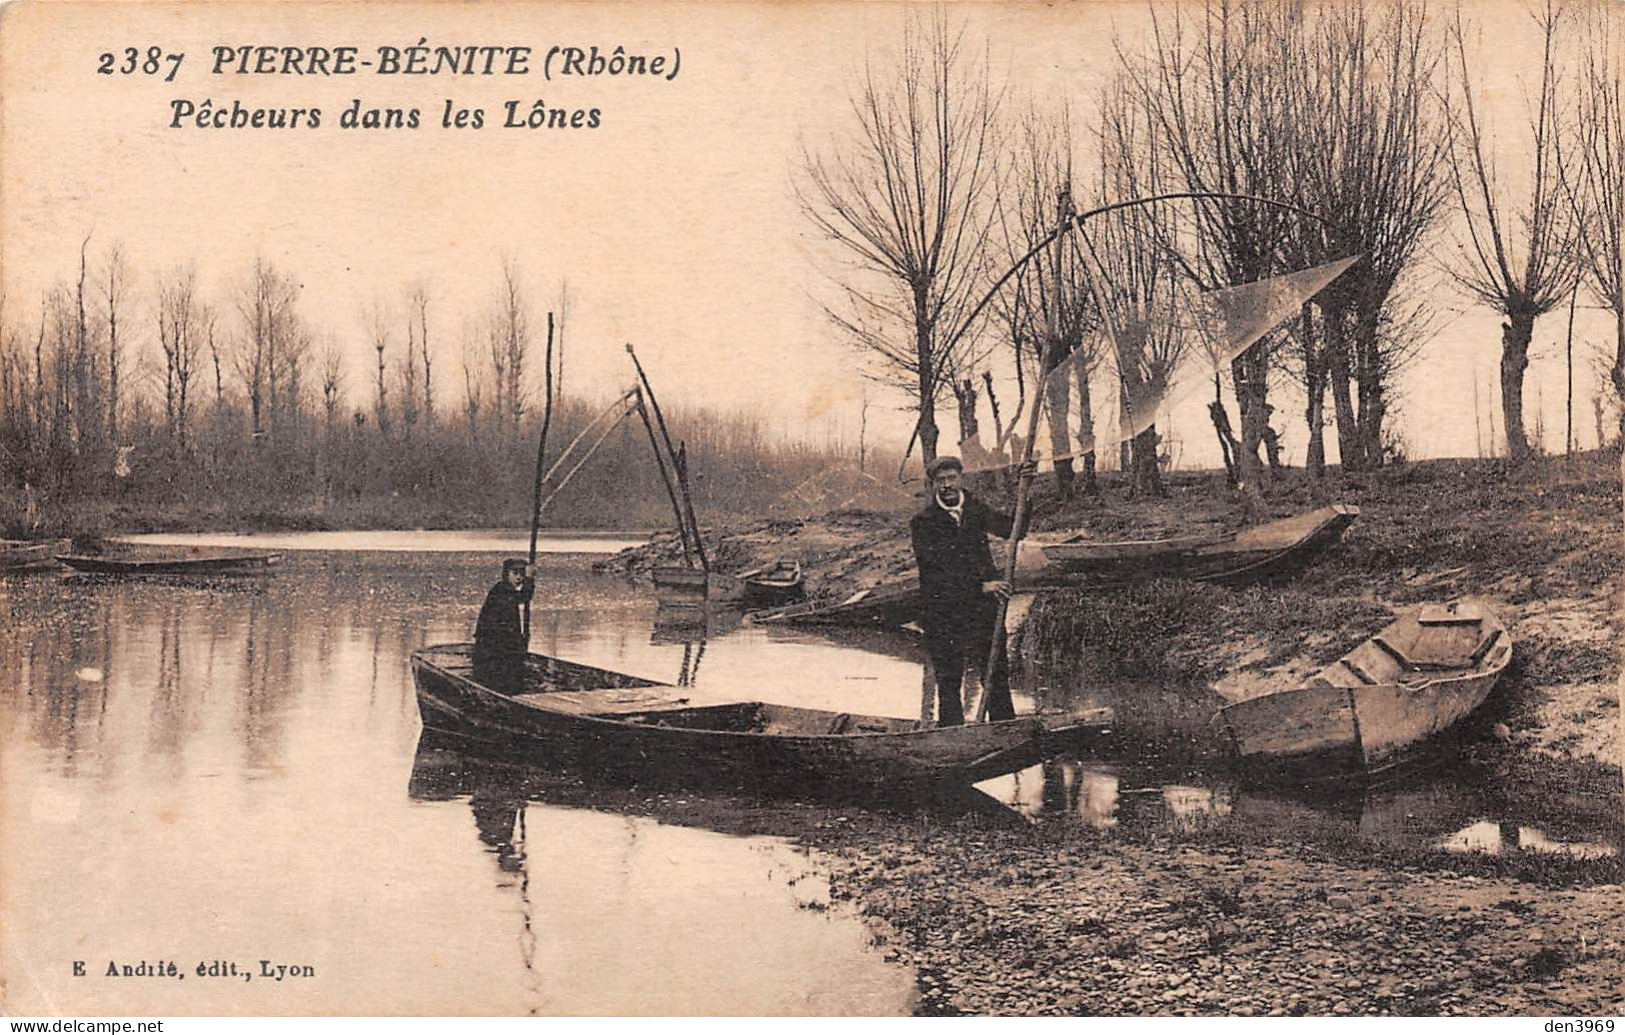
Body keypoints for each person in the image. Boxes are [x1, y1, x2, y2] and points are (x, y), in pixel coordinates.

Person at [910, 455, 1029, 726]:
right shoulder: (923, 522)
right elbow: (935, 572)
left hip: (983, 609)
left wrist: (1025, 487)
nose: (947, 485)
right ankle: (952, 739)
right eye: (941, 481)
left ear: (961, 479)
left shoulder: (975, 509)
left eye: (952, 478)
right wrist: (980, 586)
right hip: (943, 611)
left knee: (995, 673)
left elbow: (1013, 529)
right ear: (933, 485)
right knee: (949, 680)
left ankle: (1004, 732)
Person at [473, 558, 534, 692]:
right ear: (506, 574)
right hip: (491, 647)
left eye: (522, 574)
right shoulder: (501, 589)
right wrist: (529, 579)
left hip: (500, 645)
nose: (519, 577)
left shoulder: (507, 590)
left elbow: (522, 597)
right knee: (505, 675)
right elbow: (522, 597)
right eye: (515, 573)